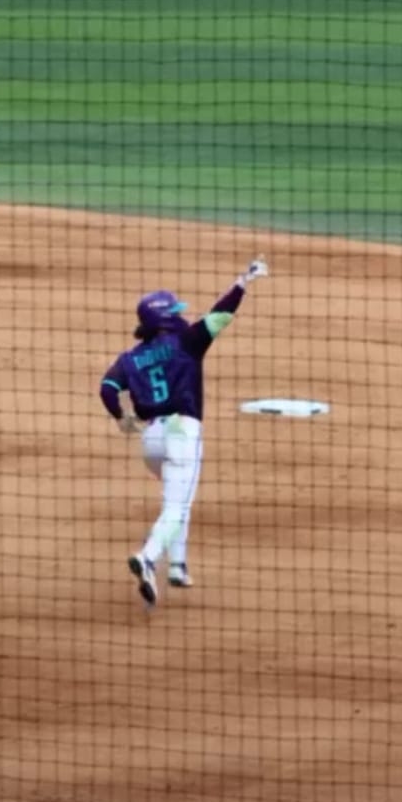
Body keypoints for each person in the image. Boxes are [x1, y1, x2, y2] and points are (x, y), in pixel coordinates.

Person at [98, 258, 267, 609]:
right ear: (165, 318)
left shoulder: (130, 358)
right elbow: (220, 315)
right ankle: (147, 558)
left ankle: (178, 566)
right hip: (182, 434)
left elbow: (107, 388)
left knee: (178, 497)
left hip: (151, 442)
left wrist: (121, 417)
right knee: (177, 503)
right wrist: (242, 282)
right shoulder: (187, 341)